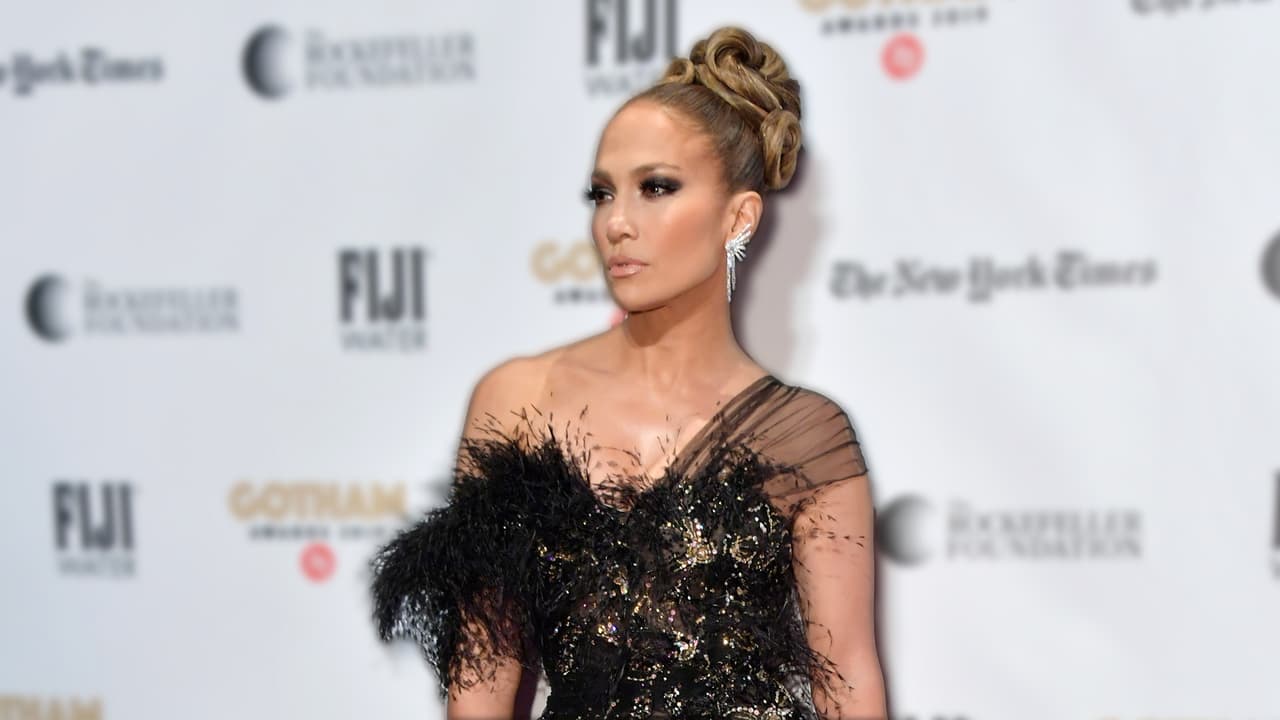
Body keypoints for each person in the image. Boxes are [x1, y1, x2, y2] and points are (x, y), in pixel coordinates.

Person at [371, 25, 886, 720]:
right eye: (601, 194)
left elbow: (847, 680)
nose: (617, 222)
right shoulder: (518, 400)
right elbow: (480, 681)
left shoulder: (805, 436)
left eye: (656, 188)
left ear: (739, 217)